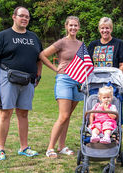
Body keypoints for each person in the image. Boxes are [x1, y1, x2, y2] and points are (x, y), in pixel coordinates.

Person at [0, 6, 42, 160]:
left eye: (27, 17)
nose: (24, 19)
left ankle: (24, 147)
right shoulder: (3, 36)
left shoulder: (34, 38)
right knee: (5, 113)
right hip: (7, 78)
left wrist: (39, 76)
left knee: (23, 113)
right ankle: (0, 149)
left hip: (28, 80)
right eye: (21, 16)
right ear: (14, 17)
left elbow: (39, 58)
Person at [39, 16, 84, 158]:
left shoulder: (81, 44)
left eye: (75, 25)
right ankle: (50, 148)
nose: (73, 28)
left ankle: (62, 146)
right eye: (71, 25)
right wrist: (55, 68)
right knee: (63, 115)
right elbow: (42, 55)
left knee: (68, 116)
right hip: (64, 80)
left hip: (78, 82)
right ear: (66, 26)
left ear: (79, 27)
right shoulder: (61, 42)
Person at [88, 17, 123, 124]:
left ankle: (113, 132)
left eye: (107, 28)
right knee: (96, 109)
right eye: (102, 28)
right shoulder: (93, 45)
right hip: (95, 83)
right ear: (99, 29)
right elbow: (88, 64)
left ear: (111, 29)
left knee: (112, 110)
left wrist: (117, 78)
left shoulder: (119, 44)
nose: (105, 31)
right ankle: (95, 131)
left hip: (113, 84)